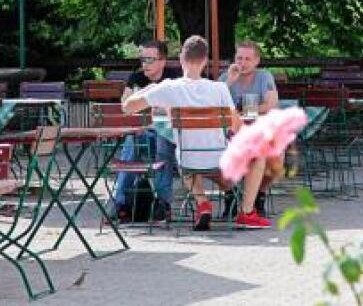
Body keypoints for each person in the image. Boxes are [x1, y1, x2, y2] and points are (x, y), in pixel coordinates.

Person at [123, 35, 271, 230]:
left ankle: (202, 203)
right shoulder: (219, 88)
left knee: (186, 156)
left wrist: (149, 89)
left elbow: (127, 107)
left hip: (187, 162)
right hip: (219, 161)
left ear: (181, 59)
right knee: (258, 155)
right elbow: (238, 128)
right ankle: (247, 211)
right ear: (204, 61)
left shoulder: (168, 87)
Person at [112, 41, 182, 222]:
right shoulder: (136, 78)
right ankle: (121, 204)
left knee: (162, 142)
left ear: (163, 61)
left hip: (169, 136)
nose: (145, 64)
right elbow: (125, 107)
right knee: (132, 141)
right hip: (143, 133)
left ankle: (163, 204)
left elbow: (177, 108)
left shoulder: (173, 78)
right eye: (143, 59)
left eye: (150, 59)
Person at [219, 40, 279, 217]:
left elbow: (271, 104)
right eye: (239, 58)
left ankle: (259, 195)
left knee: (276, 157)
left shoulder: (264, 76)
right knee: (220, 152)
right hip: (231, 132)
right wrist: (229, 82)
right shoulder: (226, 77)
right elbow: (212, 103)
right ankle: (230, 196)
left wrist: (244, 112)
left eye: (247, 59)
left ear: (256, 61)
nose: (242, 63)